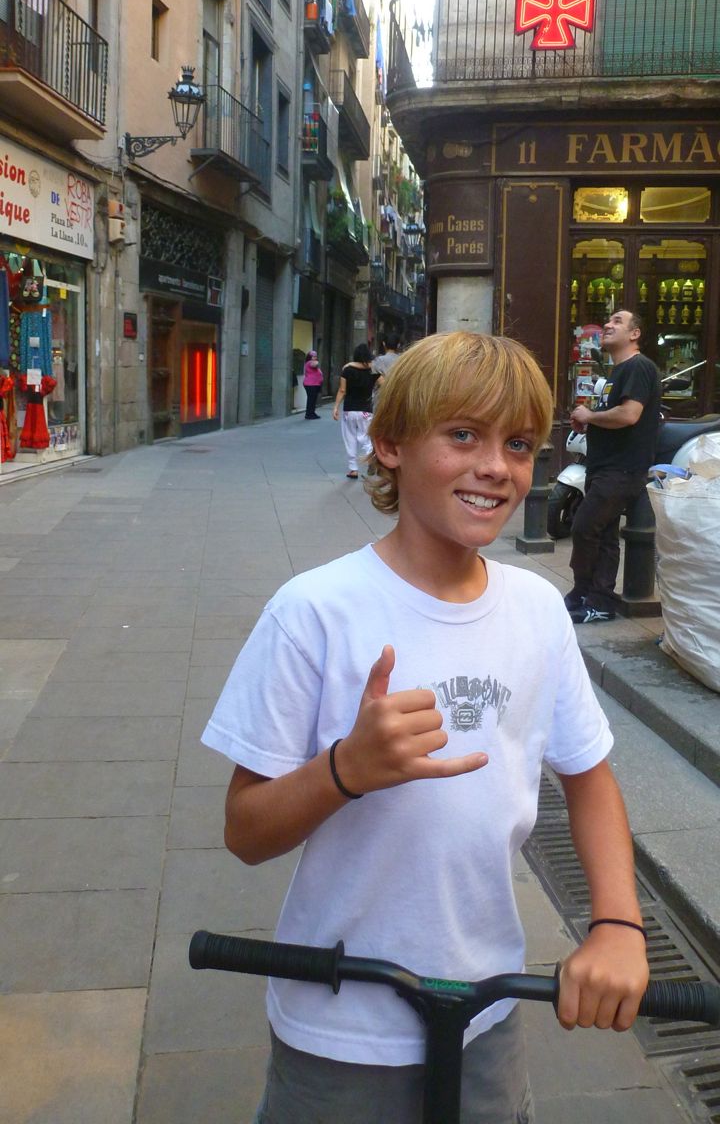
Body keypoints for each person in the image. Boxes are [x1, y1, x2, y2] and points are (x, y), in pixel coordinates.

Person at [201, 331, 649, 1124]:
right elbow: (245, 830)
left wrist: (617, 924)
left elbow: (588, 777)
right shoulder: (314, 612)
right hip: (339, 1019)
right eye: (463, 435)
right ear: (390, 444)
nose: (496, 467)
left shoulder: (536, 609)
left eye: (518, 444)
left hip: (488, 1009)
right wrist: (344, 769)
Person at [565, 310, 661, 626]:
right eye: (608, 320)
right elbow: (615, 415)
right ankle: (596, 600)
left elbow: (629, 415)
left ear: (634, 334)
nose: (608, 324)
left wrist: (590, 416)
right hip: (603, 465)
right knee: (603, 535)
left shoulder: (638, 367)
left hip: (622, 469)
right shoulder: (616, 372)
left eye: (618, 321)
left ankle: (587, 593)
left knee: (584, 527)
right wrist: (590, 422)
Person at [332, 342, 381, 478]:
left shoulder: (347, 370)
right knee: (366, 438)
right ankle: (371, 458)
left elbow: (342, 390)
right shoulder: (373, 371)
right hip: (366, 411)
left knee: (350, 439)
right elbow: (386, 384)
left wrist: (336, 407)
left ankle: (353, 469)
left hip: (349, 410)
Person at [303, 350, 323, 420]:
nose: (315, 358)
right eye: (313, 356)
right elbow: (315, 364)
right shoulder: (309, 362)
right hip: (310, 384)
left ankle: (312, 413)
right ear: (310, 357)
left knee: (313, 400)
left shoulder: (311, 362)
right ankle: (309, 414)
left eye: (316, 356)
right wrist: (316, 361)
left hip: (314, 384)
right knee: (311, 400)